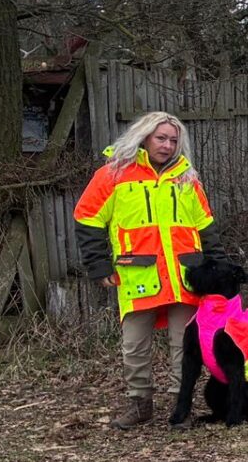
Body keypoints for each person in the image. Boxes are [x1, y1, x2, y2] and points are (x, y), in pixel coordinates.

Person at [73, 111, 217, 430]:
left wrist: (217, 270)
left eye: (173, 140)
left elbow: (206, 227)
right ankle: (140, 403)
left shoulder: (187, 178)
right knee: (134, 344)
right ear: (144, 137)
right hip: (138, 275)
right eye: (161, 138)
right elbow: (87, 218)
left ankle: (182, 408)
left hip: (185, 276)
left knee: (185, 345)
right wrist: (98, 266)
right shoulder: (113, 174)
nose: (167, 145)